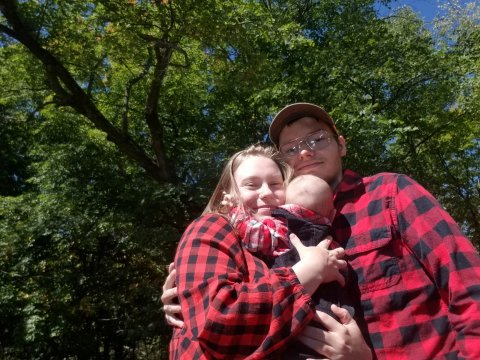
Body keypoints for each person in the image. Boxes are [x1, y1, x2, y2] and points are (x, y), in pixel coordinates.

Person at [162, 102, 480, 359]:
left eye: (317, 139)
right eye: (291, 148)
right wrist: (187, 297)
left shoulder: (391, 193)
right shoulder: (264, 230)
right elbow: (226, 304)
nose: (305, 152)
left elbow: (468, 286)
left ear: (341, 145)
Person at [168, 144, 368, 359]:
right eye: (251, 185)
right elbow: (220, 322)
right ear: (230, 194)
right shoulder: (212, 227)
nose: (266, 193)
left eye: (275, 184)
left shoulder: (297, 242)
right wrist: (310, 272)